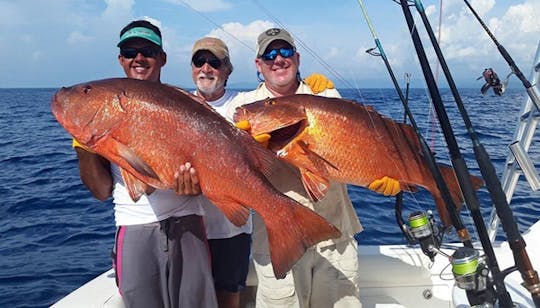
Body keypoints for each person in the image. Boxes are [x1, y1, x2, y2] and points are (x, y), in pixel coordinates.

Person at [226, 27, 401, 307]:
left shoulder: (325, 95)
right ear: (258, 65)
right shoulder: (242, 107)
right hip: (277, 243)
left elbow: (359, 150)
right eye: (269, 54)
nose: (278, 59)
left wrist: (385, 179)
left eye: (284, 52)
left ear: (297, 58)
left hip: (335, 239)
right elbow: (221, 158)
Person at [72, 20, 217, 308]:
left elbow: (212, 166)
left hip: (189, 223)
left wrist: (197, 187)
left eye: (148, 51)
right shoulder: (105, 108)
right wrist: (84, 144)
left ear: (162, 58)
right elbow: (101, 191)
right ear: (121, 60)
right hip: (134, 225)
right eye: (130, 51)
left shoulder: (185, 103)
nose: (139, 58)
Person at [189, 37, 252, 308]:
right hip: (189, 226)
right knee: (190, 297)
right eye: (199, 61)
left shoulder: (245, 103)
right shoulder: (178, 104)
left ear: (227, 69)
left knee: (228, 295)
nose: (206, 68)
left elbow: (280, 95)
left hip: (231, 230)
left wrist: (311, 85)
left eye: (214, 62)